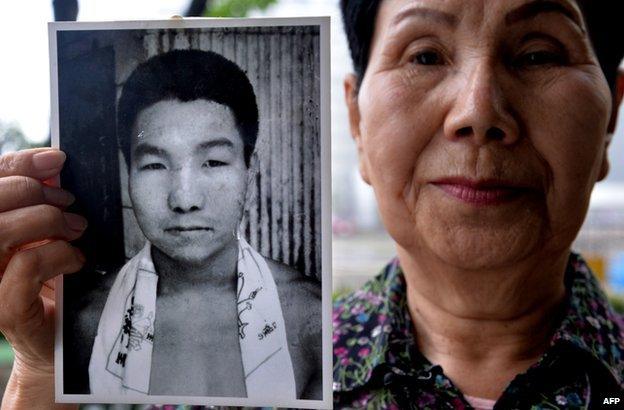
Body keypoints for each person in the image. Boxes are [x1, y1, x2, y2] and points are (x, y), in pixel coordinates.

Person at [333, 0, 624, 409]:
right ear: (357, 122)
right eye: (426, 56)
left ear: (610, 119)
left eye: (538, 56)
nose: (479, 110)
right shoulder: (267, 383)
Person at [0, 48, 321, 408]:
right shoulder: (81, 324)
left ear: (250, 171)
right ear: (128, 175)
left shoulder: (309, 318)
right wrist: (39, 367)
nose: (185, 200)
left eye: (213, 161)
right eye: (154, 165)